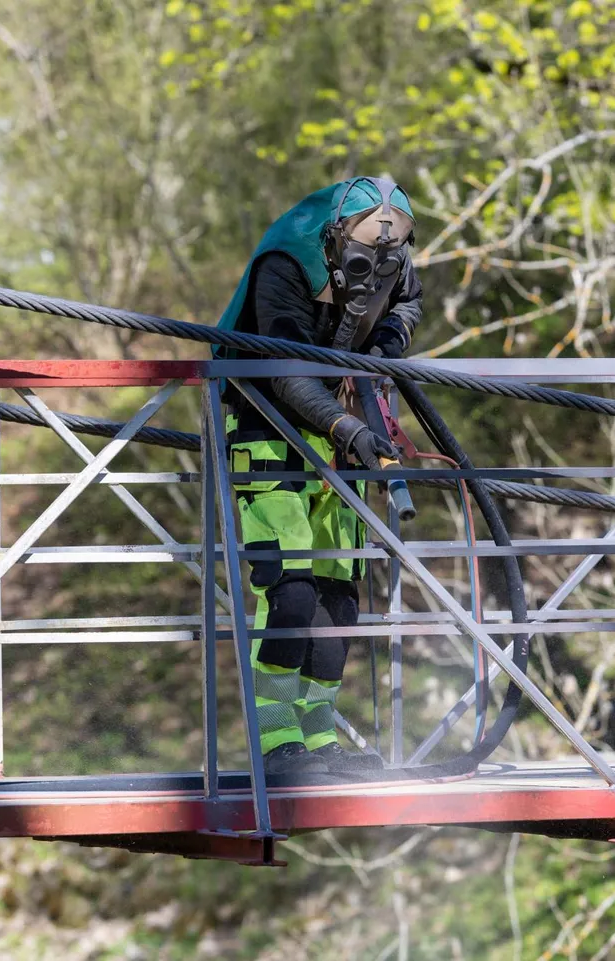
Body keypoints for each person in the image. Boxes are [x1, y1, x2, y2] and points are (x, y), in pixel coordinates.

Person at [215, 177, 420, 779]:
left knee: (338, 598)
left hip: (338, 435)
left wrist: (382, 350)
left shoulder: (397, 259)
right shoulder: (286, 264)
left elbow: (408, 303)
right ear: (335, 240)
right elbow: (286, 374)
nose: (377, 268)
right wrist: (349, 430)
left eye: (389, 257)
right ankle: (277, 744)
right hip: (267, 427)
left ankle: (320, 738)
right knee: (293, 593)